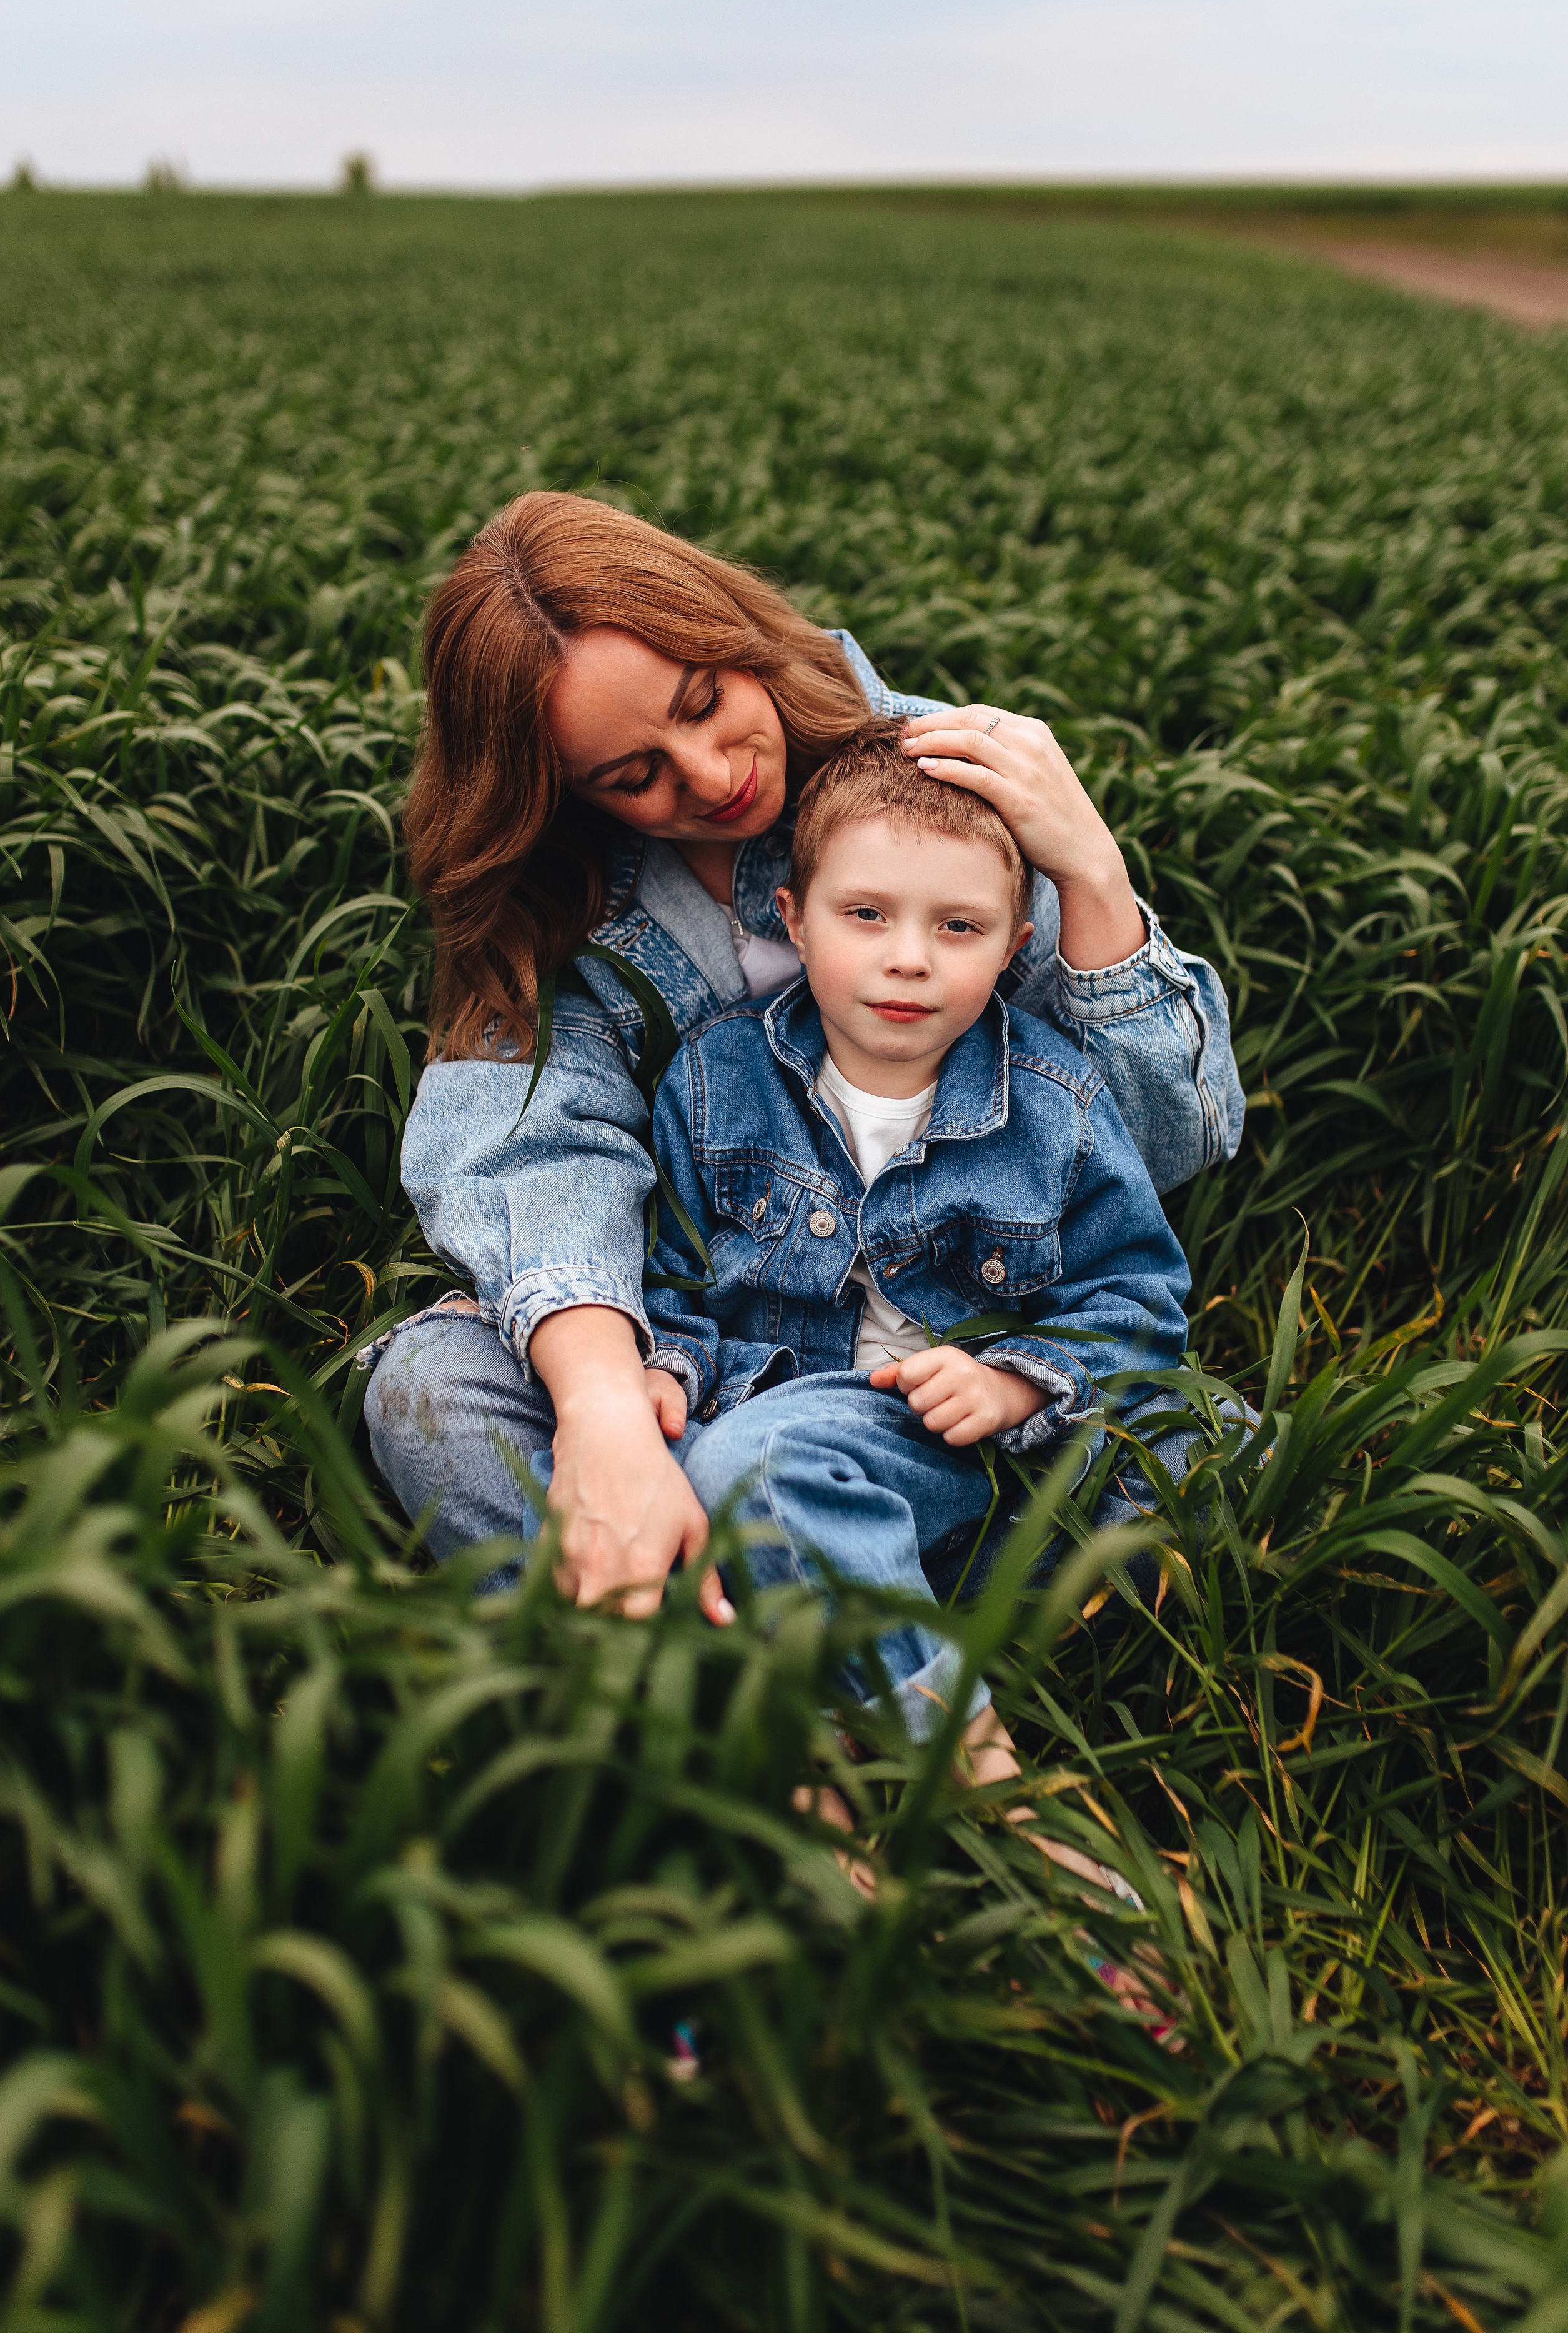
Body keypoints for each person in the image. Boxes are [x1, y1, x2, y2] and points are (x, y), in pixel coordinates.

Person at [362, 492, 1244, 1618]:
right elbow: (532, 1150)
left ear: (731, 631)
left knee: (1167, 1450)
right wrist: (606, 1413)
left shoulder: (935, 776)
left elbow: (1169, 1150)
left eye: (705, 701)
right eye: (635, 776)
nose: (711, 771)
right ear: (566, 798)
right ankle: (780, 1615)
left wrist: (1092, 874)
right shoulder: (572, 895)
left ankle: (719, 1639)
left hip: (968, 1379)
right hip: (721, 1363)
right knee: (428, 1387)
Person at [622, 727, 1191, 1761]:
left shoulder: (1054, 1102)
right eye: (867, 915)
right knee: (744, 1466)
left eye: (960, 927)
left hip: (990, 1451)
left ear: (1015, 947)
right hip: (800, 1438)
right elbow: (675, 1284)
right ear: (793, 920)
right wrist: (664, 1369)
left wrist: (1022, 1382)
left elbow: (1140, 1299)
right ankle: (968, 1764)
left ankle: (861, 1639)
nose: (909, 957)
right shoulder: (714, 1086)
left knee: (1210, 1447)